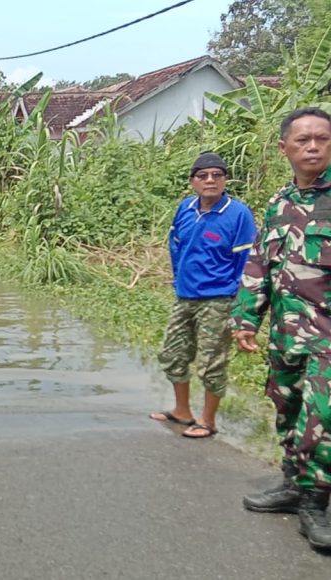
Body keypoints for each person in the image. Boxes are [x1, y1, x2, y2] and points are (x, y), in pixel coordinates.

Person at [234, 107, 331, 550]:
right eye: (303, 140)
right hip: (286, 334)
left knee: (323, 419)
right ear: (284, 148)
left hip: (327, 340)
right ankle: (293, 484)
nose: (313, 146)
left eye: (322, 139)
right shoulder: (279, 203)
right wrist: (246, 317)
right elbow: (259, 264)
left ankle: (316, 502)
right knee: (287, 410)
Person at [149, 152, 255, 439]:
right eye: (203, 176)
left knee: (212, 362)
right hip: (185, 295)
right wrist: (179, 279)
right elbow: (175, 246)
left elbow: (246, 262)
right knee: (172, 354)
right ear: (192, 181)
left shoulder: (238, 214)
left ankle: (208, 422)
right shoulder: (185, 208)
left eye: (217, 175)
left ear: (225, 180)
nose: (210, 180)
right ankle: (182, 412)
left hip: (219, 299)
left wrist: (239, 304)